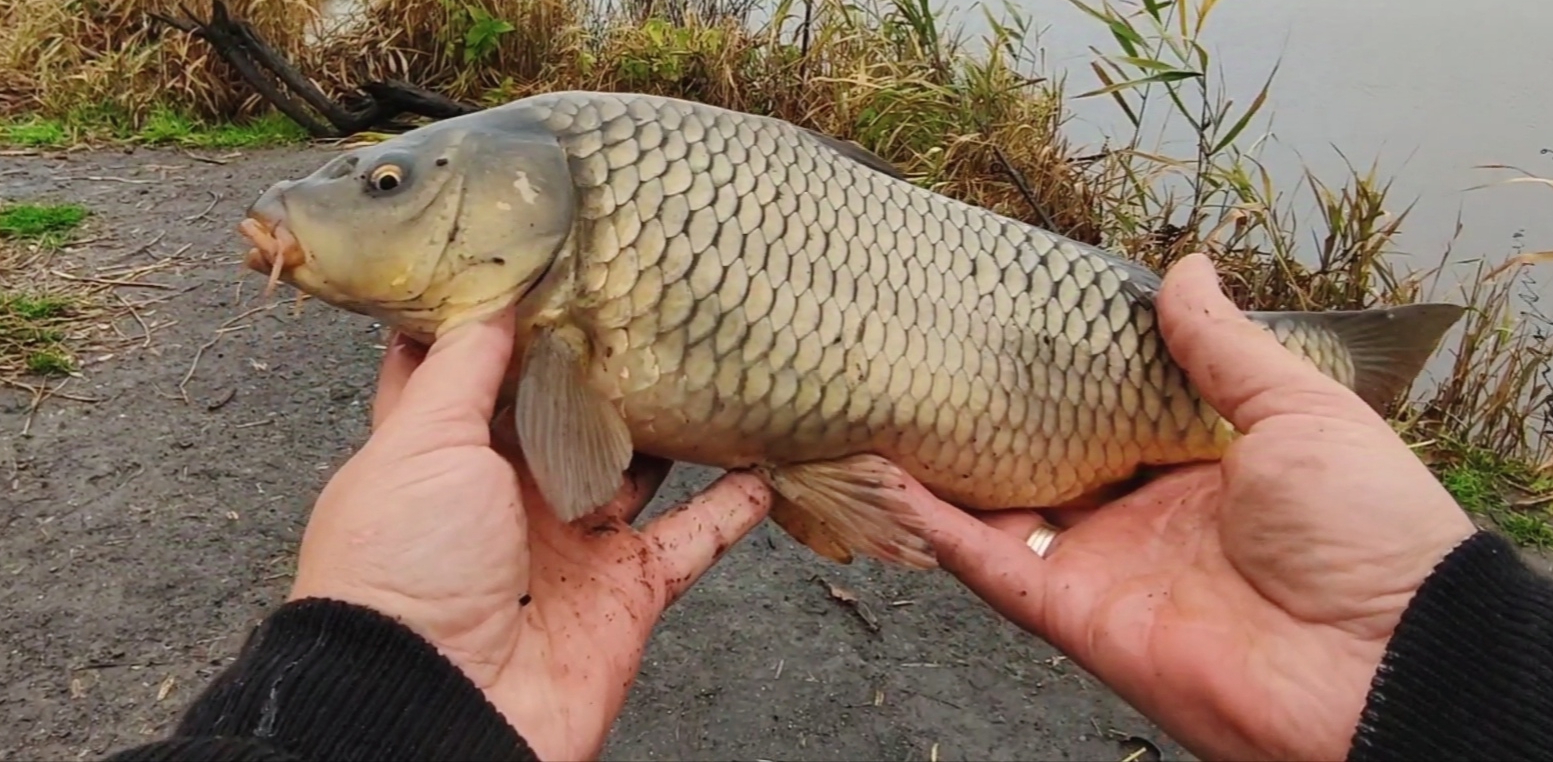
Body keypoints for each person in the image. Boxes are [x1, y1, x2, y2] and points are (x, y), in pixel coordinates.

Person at [102, 253, 1553, 762]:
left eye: (385, 182)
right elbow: (575, 461)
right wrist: (1438, 666)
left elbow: (576, 466)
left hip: (1036, 398)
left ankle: (1329, 367)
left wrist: (356, 701)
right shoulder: (558, 293)